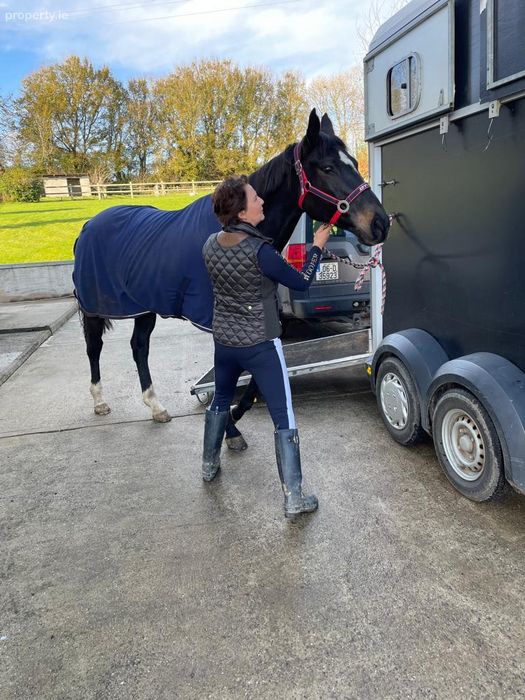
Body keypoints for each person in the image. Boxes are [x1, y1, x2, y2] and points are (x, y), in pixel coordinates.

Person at [201, 175, 331, 520]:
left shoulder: (210, 244)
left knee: (220, 399)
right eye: (255, 198)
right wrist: (317, 246)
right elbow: (301, 283)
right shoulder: (262, 252)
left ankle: (209, 466)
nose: (262, 202)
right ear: (242, 212)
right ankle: (294, 497)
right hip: (260, 344)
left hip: (224, 342)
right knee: (283, 415)